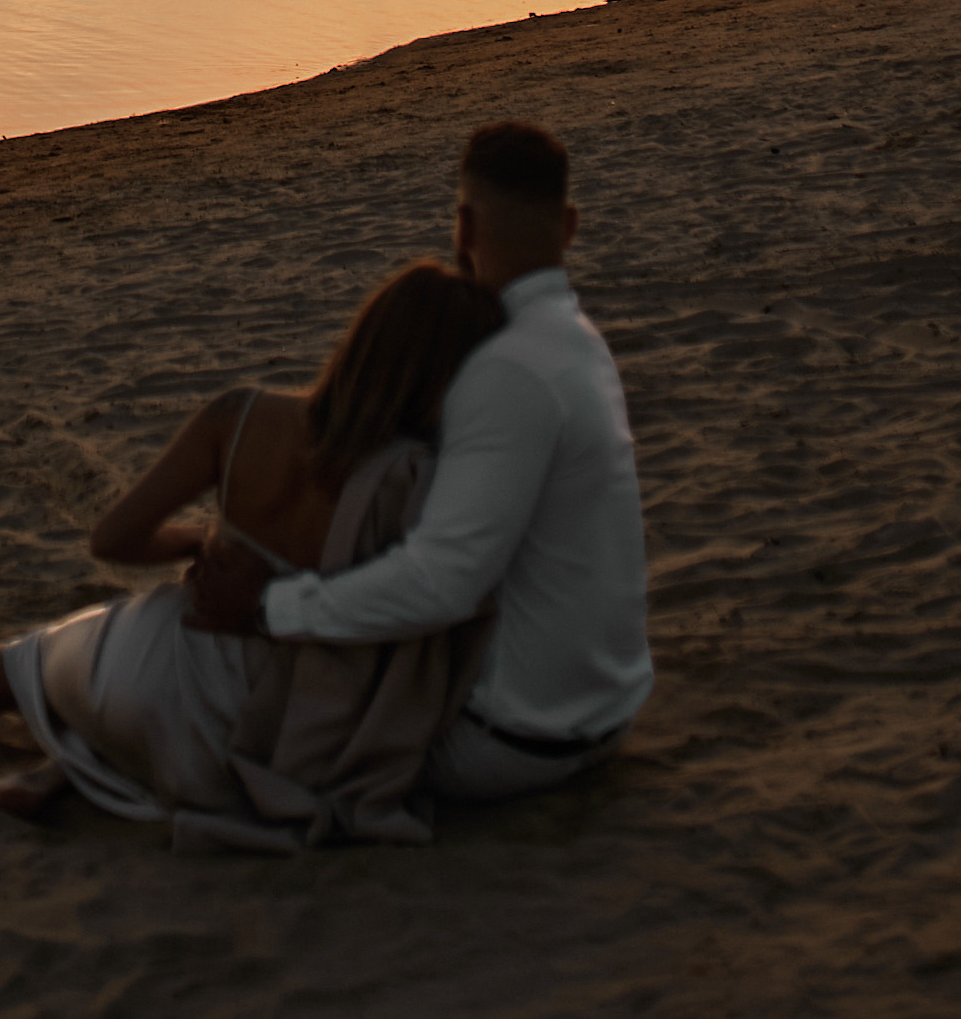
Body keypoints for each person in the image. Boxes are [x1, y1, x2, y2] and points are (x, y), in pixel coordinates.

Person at [0, 260, 504, 846]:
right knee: (126, 702)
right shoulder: (417, 477)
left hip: (166, 676)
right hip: (280, 734)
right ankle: (47, 777)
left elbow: (113, 539)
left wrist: (203, 538)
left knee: (28, 659)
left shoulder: (240, 415)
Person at [188, 119, 652, 802]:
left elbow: (441, 582)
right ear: (569, 227)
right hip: (607, 707)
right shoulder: (579, 343)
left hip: (518, 741)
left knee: (213, 698)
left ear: (463, 229)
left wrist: (266, 606)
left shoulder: (505, 370)